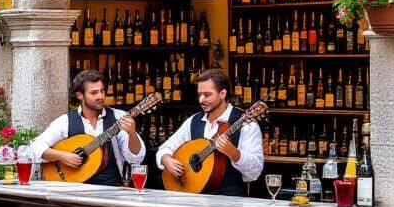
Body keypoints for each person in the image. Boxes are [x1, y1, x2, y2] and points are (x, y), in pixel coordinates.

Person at [156, 68, 263, 196]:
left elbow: (255, 171)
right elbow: (165, 148)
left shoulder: (246, 124)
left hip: (230, 204)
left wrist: (234, 153)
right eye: (199, 94)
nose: (201, 100)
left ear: (222, 93)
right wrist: (166, 159)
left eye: (207, 94)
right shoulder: (194, 121)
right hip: (192, 202)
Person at [30, 69, 145, 187]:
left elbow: (135, 159)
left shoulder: (119, 117)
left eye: (102, 91)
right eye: (94, 93)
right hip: (74, 190)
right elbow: (35, 148)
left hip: (112, 189)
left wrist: (132, 134)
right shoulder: (66, 121)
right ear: (80, 95)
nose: (100, 96)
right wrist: (63, 156)